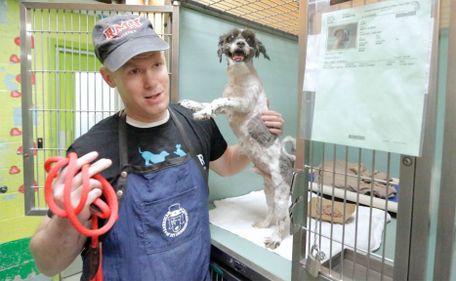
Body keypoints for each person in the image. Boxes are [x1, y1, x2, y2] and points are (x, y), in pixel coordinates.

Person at [29, 14, 285, 281]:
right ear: (109, 78)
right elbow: (48, 264)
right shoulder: (92, 153)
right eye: (134, 70)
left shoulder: (196, 122)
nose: (151, 82)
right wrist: (66, 220)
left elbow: (229, 165)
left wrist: (255, 136)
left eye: (156, 64)